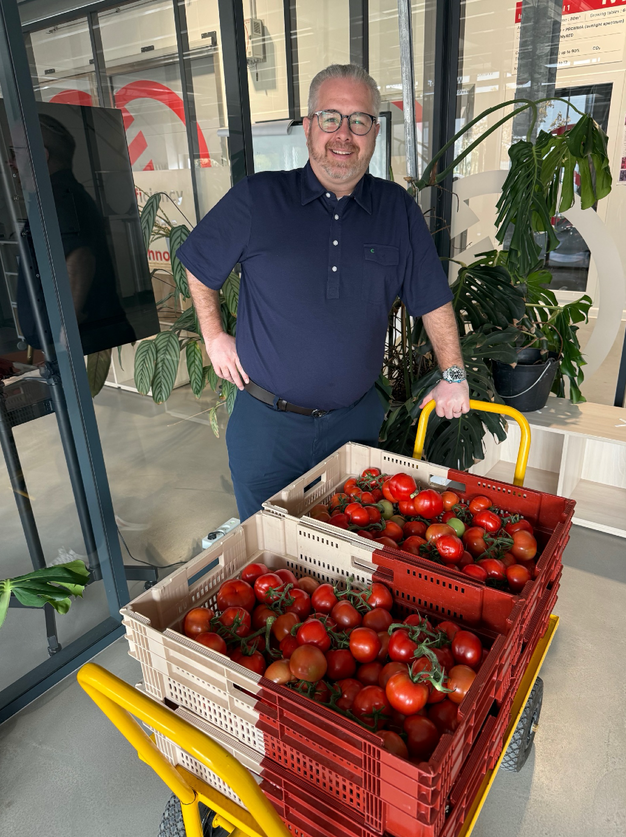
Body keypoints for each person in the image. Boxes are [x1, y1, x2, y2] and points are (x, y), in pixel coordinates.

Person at [177, 64, 470, 521]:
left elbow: (431, 297)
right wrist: (214, 336)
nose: (344, 134)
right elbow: (199, 264)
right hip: (267, 430)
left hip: (355, 425)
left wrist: (453, 373)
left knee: (350, 546)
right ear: (309, 126)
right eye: (330, 118)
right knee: (267, 551)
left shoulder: (396, 210)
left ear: (375, 132)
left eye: (359, 120)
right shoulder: (258, 198)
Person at [11, 113, 136, 355]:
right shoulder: (63, 195)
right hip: (88, 338)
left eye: (15, 153)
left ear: (41, 156)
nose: (10, 163)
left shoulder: (58, 199)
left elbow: (80, 258)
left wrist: (65, 331)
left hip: (82, 343)